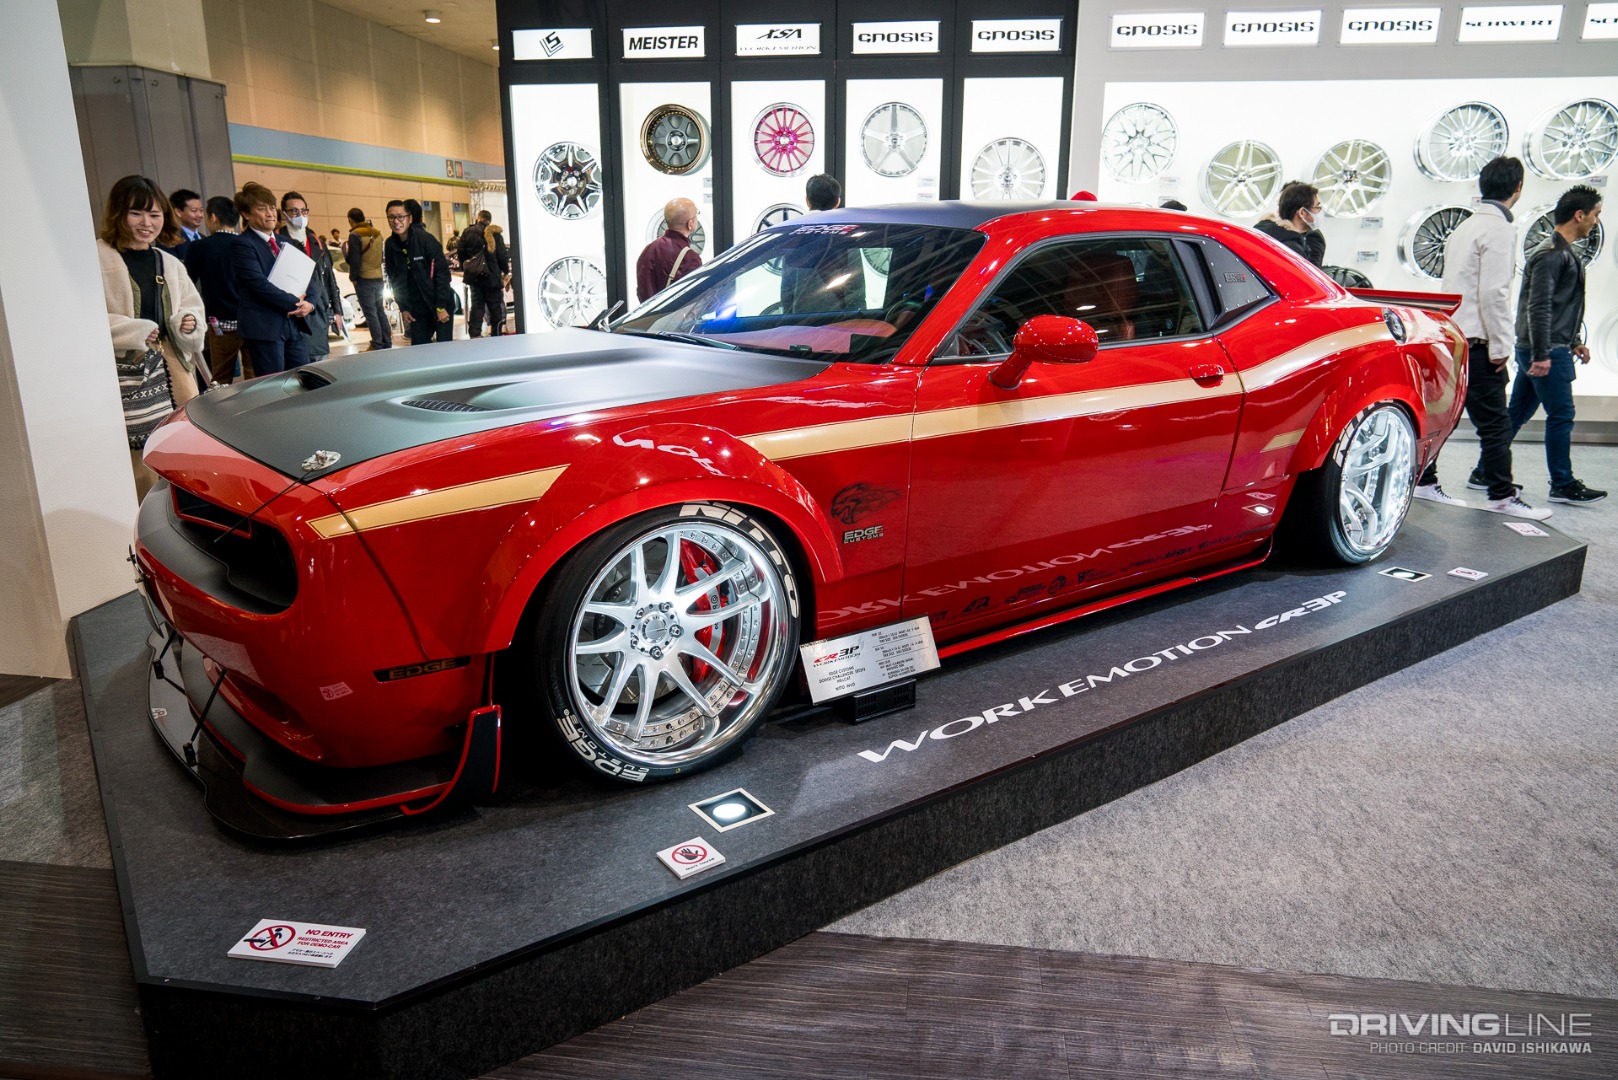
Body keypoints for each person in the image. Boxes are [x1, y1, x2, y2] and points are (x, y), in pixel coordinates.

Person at [1411, 157, 1549, 519]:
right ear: (1517, 188)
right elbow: (1494, 293)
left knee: (1444, 416)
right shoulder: (1500, 229)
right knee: (1495, 423)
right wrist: (1501, 346)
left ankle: (1425, 481)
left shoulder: (1465, 226)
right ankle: (1502, 496)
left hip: (1451, 336)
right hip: (1478, 341)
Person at [97, 175, 208, 498]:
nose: (147, 223)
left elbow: (192, 307)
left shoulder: (169, 262)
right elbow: (82, 320)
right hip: (125, 373)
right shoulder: (96, 258)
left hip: (174, 368)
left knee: (180, 442)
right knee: (137, 456)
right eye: (136, 213)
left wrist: (188, 322)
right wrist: (136, 331)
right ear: (118, 213)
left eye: (155, 215)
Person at [1507, 185, 1605, 505]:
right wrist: (1543, 353)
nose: (1595, 221)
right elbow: (1539, 307)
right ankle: (1562, 483)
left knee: (1517, 413)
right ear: (1580, 215)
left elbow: (1561, 305)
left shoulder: (1561, 251)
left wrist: (1575, 340)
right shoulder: (1551, 254)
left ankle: (1484, 470)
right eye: (1595, 214)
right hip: (1546, 349)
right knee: (1561, 415)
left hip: (1547, 346)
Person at [230, 181, 315, 374]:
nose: (270, 214)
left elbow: (307, 276)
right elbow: (257, 284)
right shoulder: (242, 245)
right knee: (273, 386)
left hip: (294, 324)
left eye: (271, 208)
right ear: (246, 214)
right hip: (265, 328)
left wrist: (309, 303)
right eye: (262, 209)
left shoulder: (286, 242)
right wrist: (295, 303)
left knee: (304, 380)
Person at [183, 196, 252, 383]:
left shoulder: (200, 247)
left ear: (213, 217)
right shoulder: (247, 244)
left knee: (221, 378)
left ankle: (223, 412)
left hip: (220, 323)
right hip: (251, 321)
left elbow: (187, 282)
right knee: (255, 377)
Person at [277, 191, 342, 362]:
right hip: (292, 314)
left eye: (304, 211)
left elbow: (329, 278)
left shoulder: (317, 242)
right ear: (284, 214)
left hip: (318, 313)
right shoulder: (277, 241)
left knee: (320, 366)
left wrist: (337, 310)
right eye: (294, 211)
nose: (300, 215)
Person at [383, 198, 453, 344]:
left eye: (401, 217)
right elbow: (395, 280)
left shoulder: (426, 240)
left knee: (445, 350)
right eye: (391, 217)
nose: (396, 221)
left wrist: (440, 306)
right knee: (419, 348)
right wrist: (404, 308)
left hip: (440, 302)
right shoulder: (390, 245)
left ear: (410, 219)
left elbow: (442, 274)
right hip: (417, 307)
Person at [636, 197, 701, 302]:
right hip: (676, 318)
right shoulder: (689, 258)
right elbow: (693, 300)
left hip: (649, 317)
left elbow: (642, 290)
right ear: (690, 223)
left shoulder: (648, 250)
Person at [458, 209, 510, 337]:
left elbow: (461, 252)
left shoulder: (467, 232)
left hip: (475, 276)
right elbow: (502, 256)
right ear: (489, 220)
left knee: (477, 305)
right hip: (492, 276)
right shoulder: (496, 234)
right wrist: (505, 271)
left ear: (478, 218)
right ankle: (496, 332)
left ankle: (474, 333)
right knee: (495, 306)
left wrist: (466, 266)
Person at [345, 207, 390, 349]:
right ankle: (386, 340)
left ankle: (376, 343)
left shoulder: (355, 235)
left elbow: (355, 260)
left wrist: (353, 277)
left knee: (370, 313)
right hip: (378, 277)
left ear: (350, 220)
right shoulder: (377, 233)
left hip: (364, 279)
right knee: (380, 311)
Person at [1254, 182, 1325, 266]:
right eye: (1317, 207)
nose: (1319, 211)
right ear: (1302, 212)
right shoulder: (1292, 249)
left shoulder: (1262, 230)